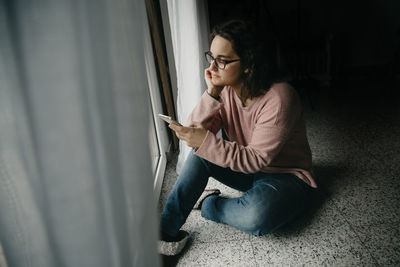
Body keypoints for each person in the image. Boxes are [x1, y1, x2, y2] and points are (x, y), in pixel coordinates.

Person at [158, 20, 317, 256]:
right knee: (200, 154)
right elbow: (196, 131)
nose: (212, 66)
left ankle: (210, 204)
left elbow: (255, 159)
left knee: (256, 217)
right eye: (211, 57)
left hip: (287, 176)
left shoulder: (280, 98)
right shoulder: (226, 88)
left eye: (221, 60)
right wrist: (211, 92)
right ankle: (165, 233)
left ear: (248, 64)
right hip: (249, 170)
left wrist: (203, 140)